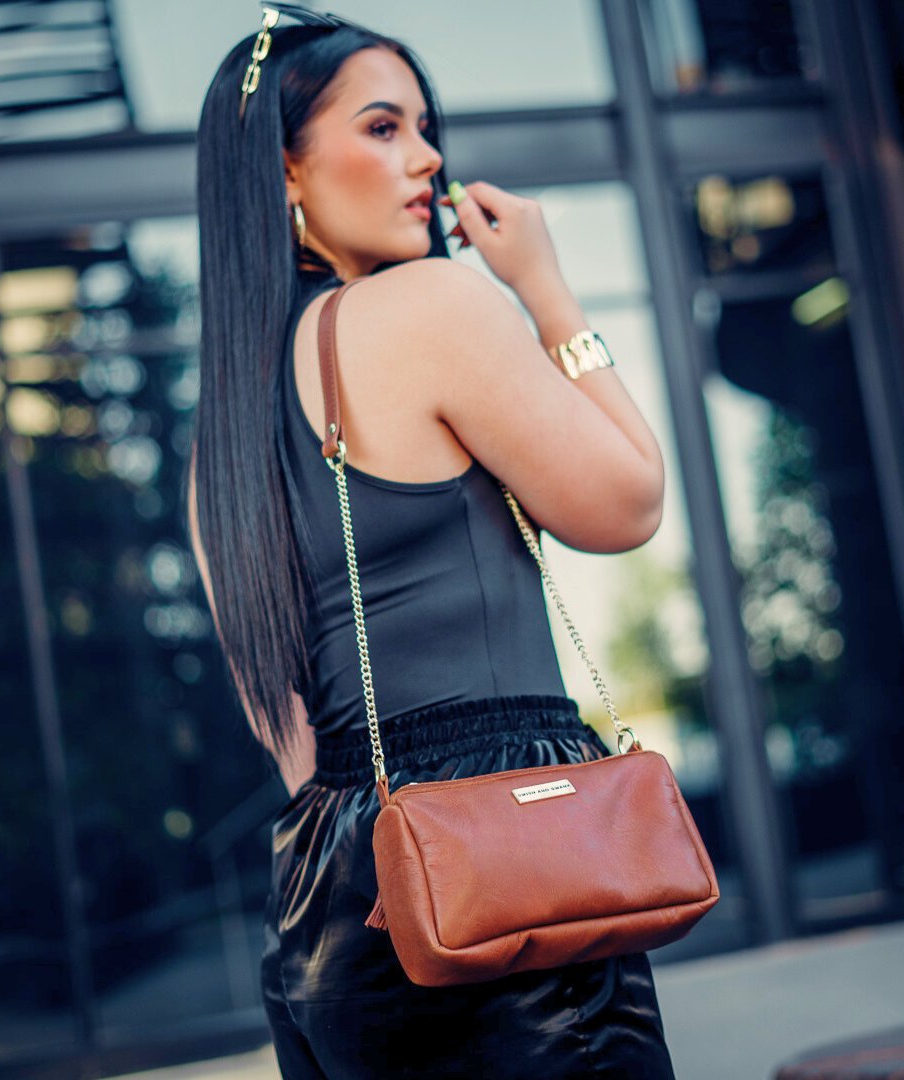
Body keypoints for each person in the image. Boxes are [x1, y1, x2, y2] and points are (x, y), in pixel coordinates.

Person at [185, 5, 673, 1077]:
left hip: (332, 900)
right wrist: (544, 290)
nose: (429, 156)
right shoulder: (428, 308)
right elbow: (628, 504)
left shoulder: (220, 440)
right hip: (506, 860)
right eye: (383, 127)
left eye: (424, 124)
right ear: (285, 175)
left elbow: (291, 738)